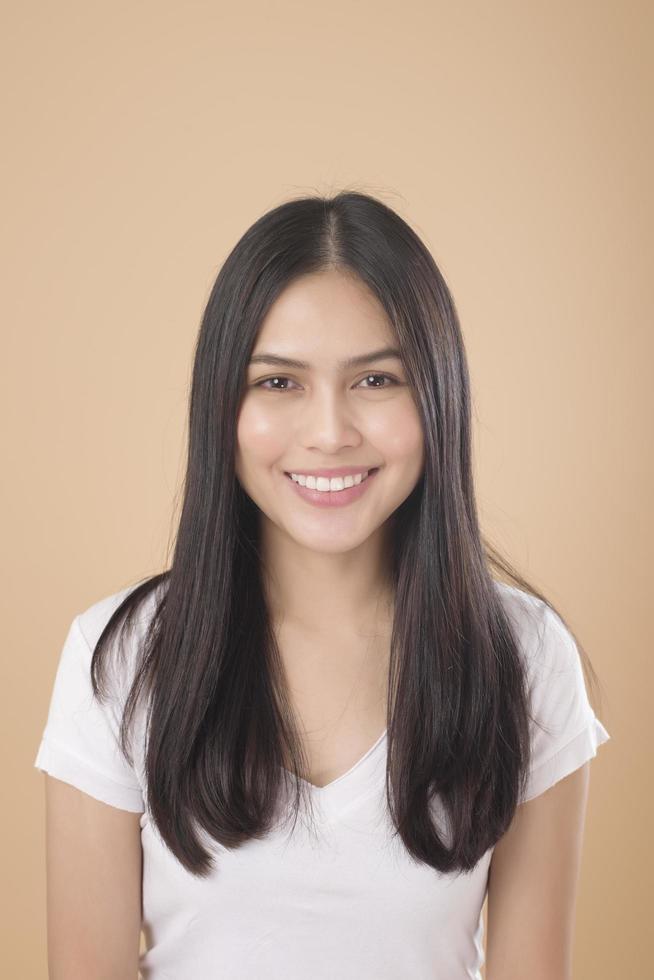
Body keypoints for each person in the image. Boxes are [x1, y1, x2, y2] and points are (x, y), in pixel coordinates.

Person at [34, 190, 611, 979]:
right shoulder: (118, 658)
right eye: (279, 383)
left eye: (376, 381)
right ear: (221, 406)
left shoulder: (526, 656)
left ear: (439, 397)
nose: (331, 431)